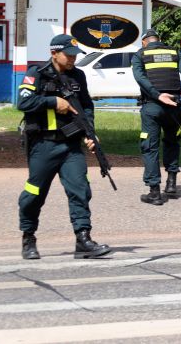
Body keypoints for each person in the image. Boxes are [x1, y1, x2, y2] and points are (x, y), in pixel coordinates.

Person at [16, 34, 111, 260]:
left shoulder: (78, 76)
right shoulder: (36, 74)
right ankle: (28, 237)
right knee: (34, 194)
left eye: (75, 55)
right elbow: (23, 102)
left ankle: (83, 239)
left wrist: (90, 133)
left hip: (71, 146)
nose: (72, 59)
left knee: (80, 190)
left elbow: (86, 106)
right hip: (43, 145)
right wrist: (53, 102)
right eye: (68, 55)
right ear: (54, 53)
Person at [131, 28, 181, 205]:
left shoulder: (140, 54)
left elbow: (140, 79)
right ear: (158, 40)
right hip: (175, 106)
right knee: (172, 141)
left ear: (145, 42)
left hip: (153, 105)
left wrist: (156, 94)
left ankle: (154, 192)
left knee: (150, 147)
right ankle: (171, 184)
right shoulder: (174, 52)